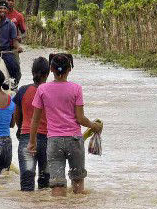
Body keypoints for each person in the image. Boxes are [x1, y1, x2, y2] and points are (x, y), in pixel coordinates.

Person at [27, 53, 102, 197]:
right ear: (70, 69)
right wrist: (93, 126)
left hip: (54, 142)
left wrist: (32, 142)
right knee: (78, 183)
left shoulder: (42, 89)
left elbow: (35, 120)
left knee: (57, 184)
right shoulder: (76, 89)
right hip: (74, 140)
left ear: (51, 70)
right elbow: (80, 118)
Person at [13, 57, 50, 191]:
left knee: (27, 184)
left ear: (32, 72)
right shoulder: (51, 91)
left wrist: (21, 127)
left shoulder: (22, 90)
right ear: (48, 73)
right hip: (48, 140)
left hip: (26, 139)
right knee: (46, 185)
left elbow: (16, 115)